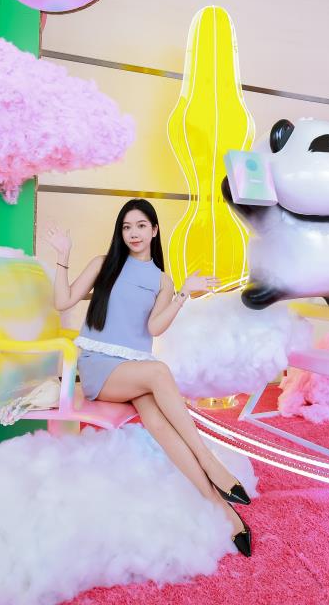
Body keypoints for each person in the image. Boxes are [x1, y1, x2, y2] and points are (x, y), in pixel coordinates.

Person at [45, 199, 253, 557]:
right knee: (159, 371)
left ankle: (222, 509)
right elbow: (62, 302)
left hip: (133, 368)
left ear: (154, 230)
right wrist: (63, 256)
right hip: (99, 367)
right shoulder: (103, 264)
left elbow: (155, 327)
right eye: (127, 227)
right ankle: (208, 460)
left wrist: (183, 293)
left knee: (159, 423)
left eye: (141, 225)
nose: (134, 233)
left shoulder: (161, 281)